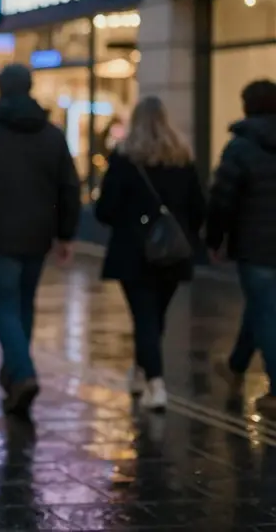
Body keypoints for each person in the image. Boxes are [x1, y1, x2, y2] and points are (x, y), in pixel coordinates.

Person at [0, 63, 80, 417]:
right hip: (37, 235)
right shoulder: (51, 134)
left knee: (6, 308)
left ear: (0, 89)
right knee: (23, 305)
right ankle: (13, 374)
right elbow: (69, 186)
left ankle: (22, 373)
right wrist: (66, 233)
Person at [94, 96, 204, 411]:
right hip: (173, 252)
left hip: (134, 252)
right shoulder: (182, 158)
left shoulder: (125, 158)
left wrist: (130, 221)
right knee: (155, 317)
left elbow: (105, 209)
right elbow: (198, 208)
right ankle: (141, 372)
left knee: (144, 317)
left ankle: (155, 383)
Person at [206, 79, 276, 414]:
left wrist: (214, 240)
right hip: (258, 245)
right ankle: (236, 365)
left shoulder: (240, 147)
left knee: (265, 312)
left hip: (255, 245)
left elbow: (222, 199)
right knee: (261, 306)